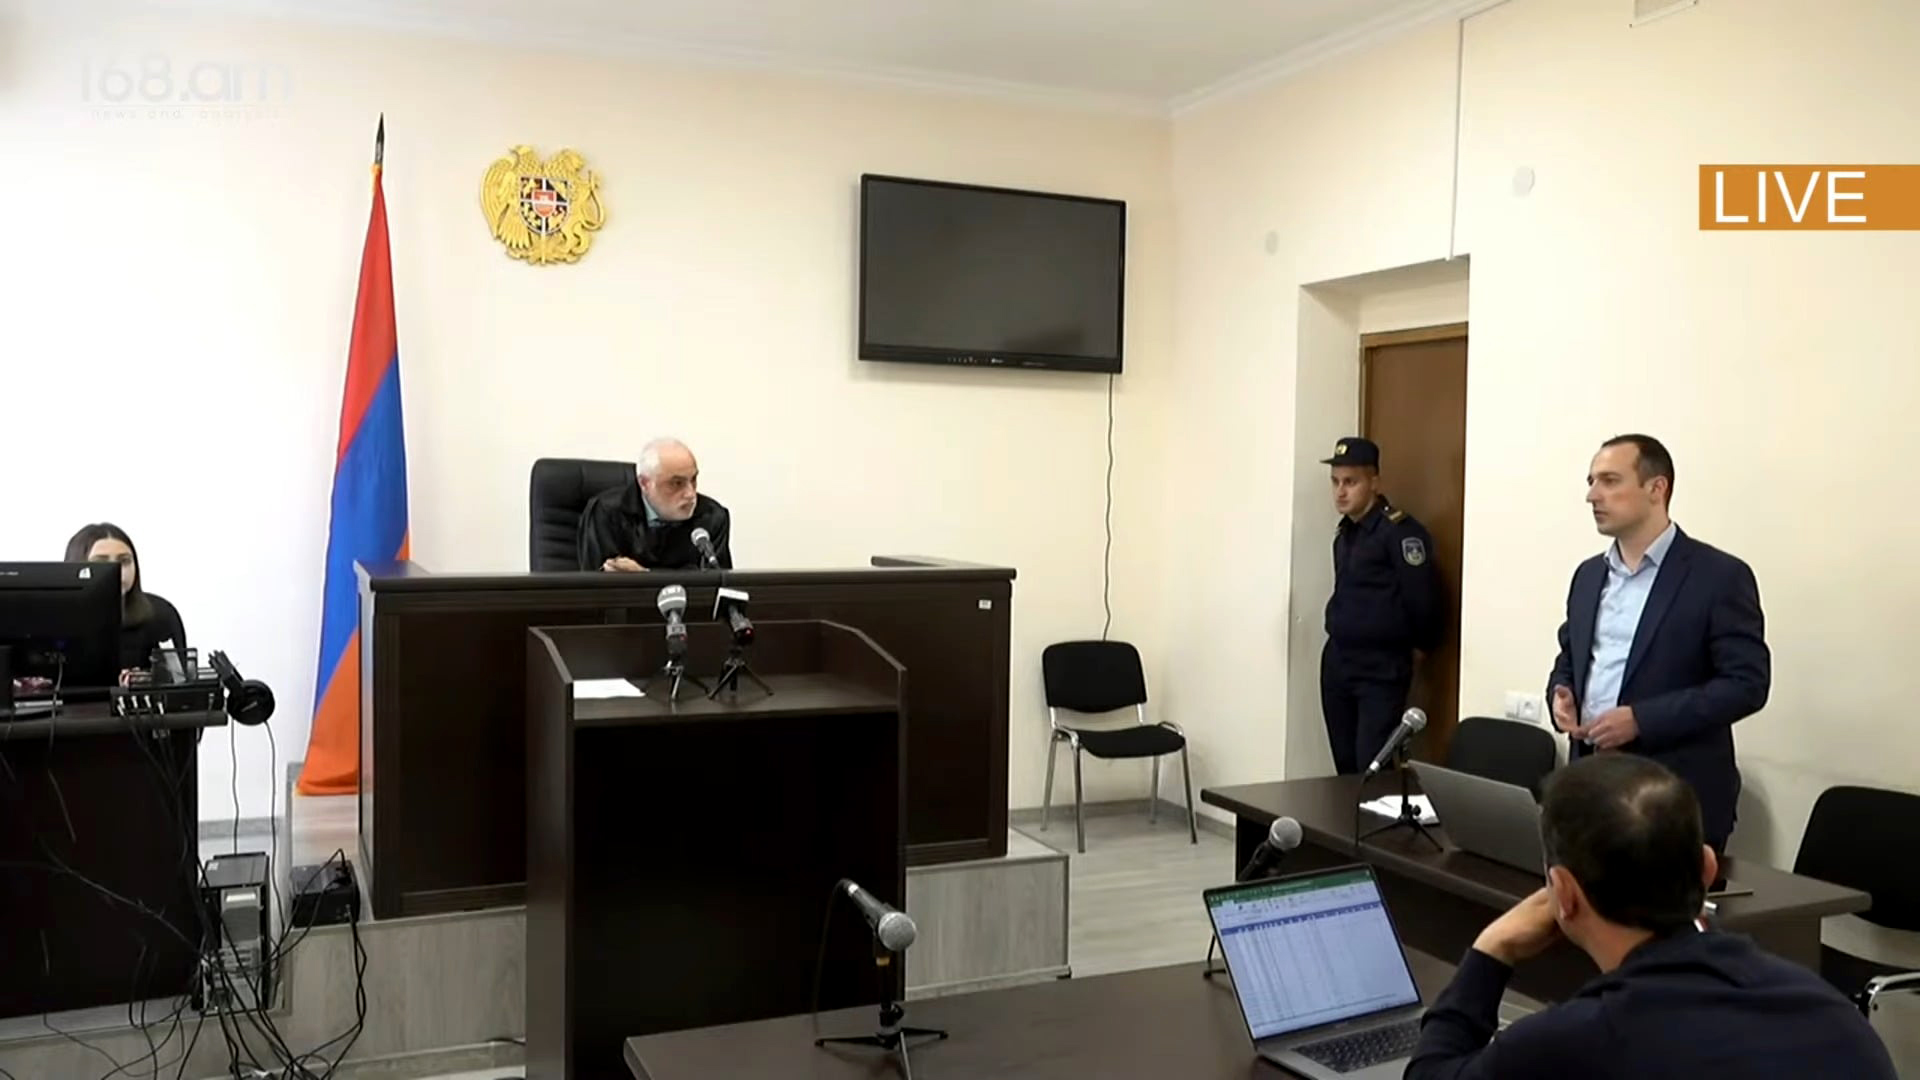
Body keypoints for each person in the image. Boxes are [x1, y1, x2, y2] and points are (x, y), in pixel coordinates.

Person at [1407, 754, 1896, 1079]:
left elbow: (1429, 1073)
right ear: (1707, 868)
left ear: (1565, 893)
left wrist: (1492, 950)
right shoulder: (1831, 1013)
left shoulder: (1576, 1041)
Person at [1546, 435, 1768, 851]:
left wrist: (1641, 719)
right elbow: (1570, 658)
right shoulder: (1588, 576)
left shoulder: (1718, 576)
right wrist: (1561, 692)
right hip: (1590, 788)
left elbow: (1746, 685)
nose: (1592, 495)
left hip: (1671, 799)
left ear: (1656, 488)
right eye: (1591, 482)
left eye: (1610, 480)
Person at [1318, 436, 1444, 774]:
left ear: (1374, 482)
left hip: (1379, 668)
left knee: (1372, 768)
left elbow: (1423, 600)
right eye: (1335, 482)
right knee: (1344, 768)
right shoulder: (1346, 533)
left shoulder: (1401, 534)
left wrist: (1417, 650)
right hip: (1339, 661)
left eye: (1350, 482)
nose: (1340, 492)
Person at [577, 437, 733, 572]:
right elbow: (594, 584)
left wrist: (644, 575)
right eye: (676, 483)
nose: (690, 494)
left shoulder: (711, 516)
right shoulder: (607, 512)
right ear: (644, 483)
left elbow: (719, 582)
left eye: (693, 480)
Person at [64, 522, 188, 676]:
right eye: (100, 562)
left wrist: (148, 681)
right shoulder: (58, 620)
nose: (116, 571)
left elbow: (179, 680)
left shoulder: (161, 615)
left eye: (124, 561)